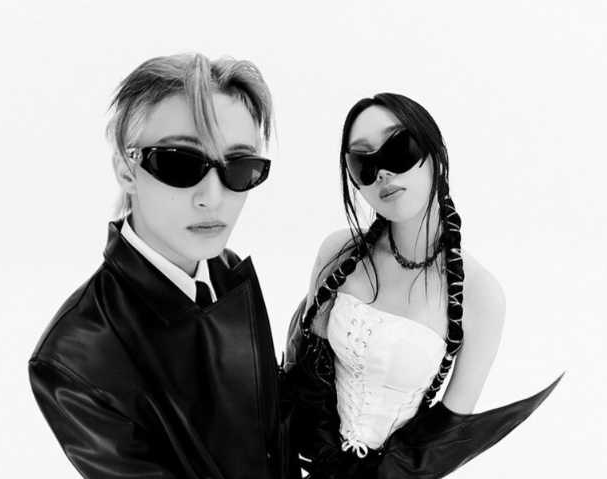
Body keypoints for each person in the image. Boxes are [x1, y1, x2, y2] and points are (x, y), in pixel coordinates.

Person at [29, 53, 297, 479]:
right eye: (179, 163)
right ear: (126, 170)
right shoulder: (74, 356)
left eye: (240, 168)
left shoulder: (225, 272)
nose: (212, 198)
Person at [284, 93, 561, 478]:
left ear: (436, 155)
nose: (382, 173)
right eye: (363, 162)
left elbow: (444, 434)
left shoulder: (481, 295)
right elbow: (305, 377)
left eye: (398, 149)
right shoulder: (337, 253)